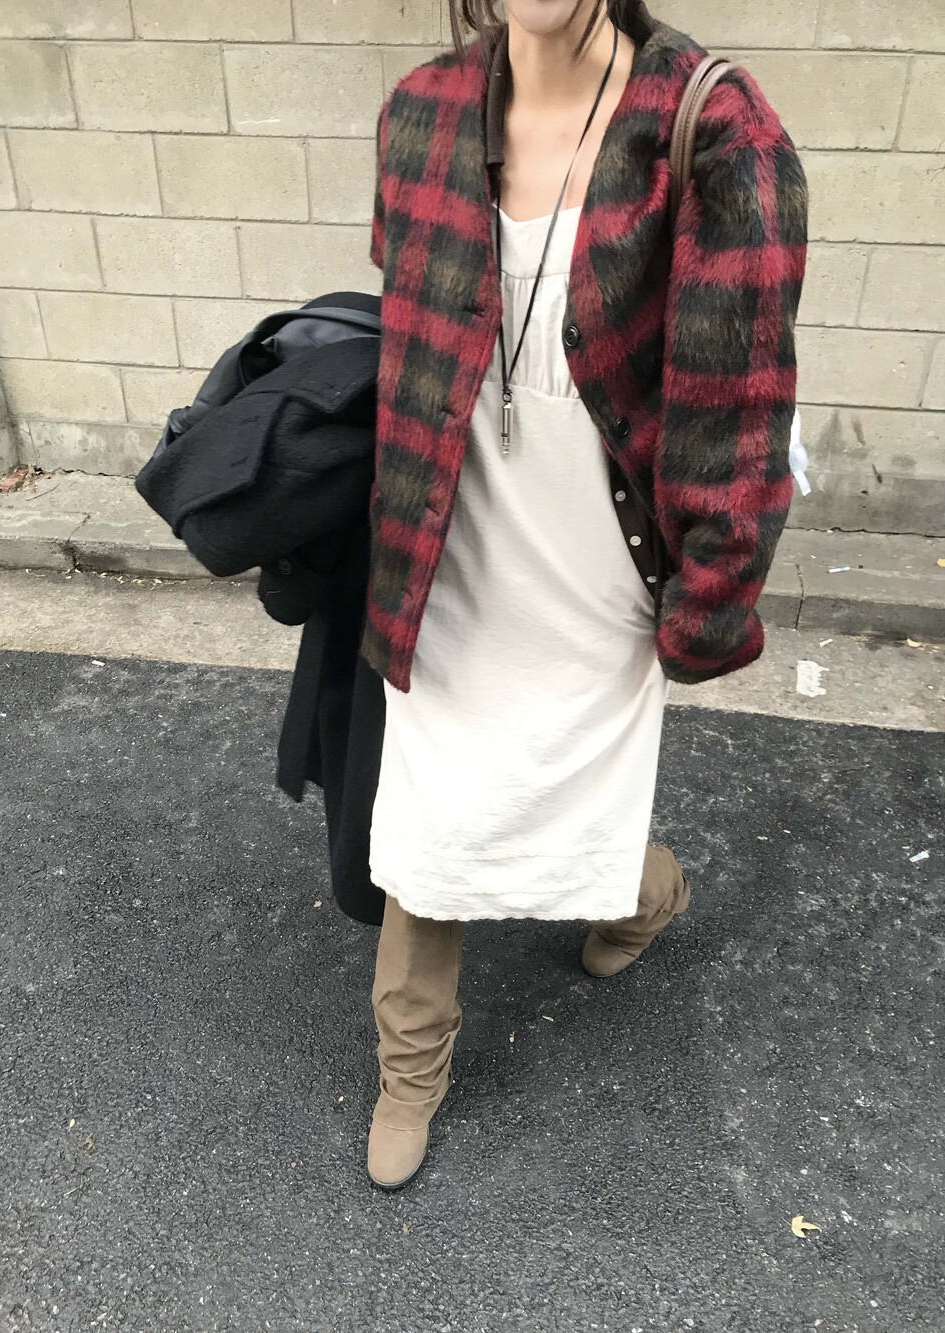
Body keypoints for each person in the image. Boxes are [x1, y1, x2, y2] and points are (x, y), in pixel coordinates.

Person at [361, 0, 809, 1189]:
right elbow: (404, 332)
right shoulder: (419, 115)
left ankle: (639, 895)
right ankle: (410, 1066)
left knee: (571, 788)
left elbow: (739, 399)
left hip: (599, 553)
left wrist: (713, 592)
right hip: (453, 535)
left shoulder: (711, 130)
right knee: (433, 816)